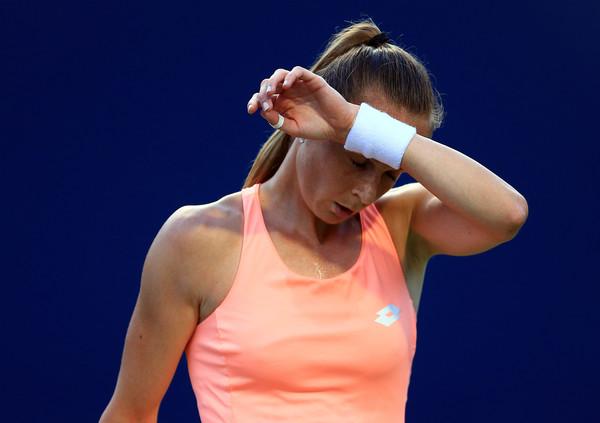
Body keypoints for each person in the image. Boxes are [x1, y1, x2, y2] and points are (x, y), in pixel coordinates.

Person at [99, 19, 528, 423]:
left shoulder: (401, 225)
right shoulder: (198, 240)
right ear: (310, 127)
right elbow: (130, 414)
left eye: (388, 173)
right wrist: (348, 129)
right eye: (357, 160)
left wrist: (360, 128)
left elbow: (507, 214)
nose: (366, 192)